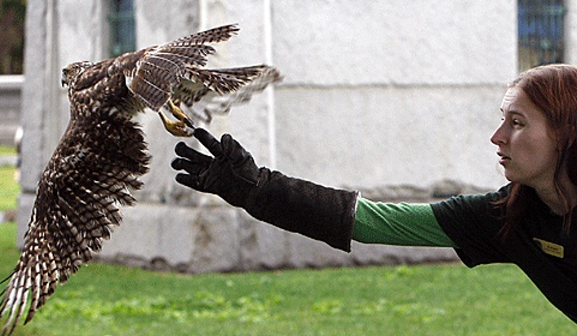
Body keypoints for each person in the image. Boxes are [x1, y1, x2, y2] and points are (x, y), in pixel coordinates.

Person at [171, 64, 577, 323]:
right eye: (501, 120)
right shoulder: (507, 216)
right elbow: (365, 221)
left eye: (517, 123)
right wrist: (256, 188)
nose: (497, 137)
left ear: (565, 133)